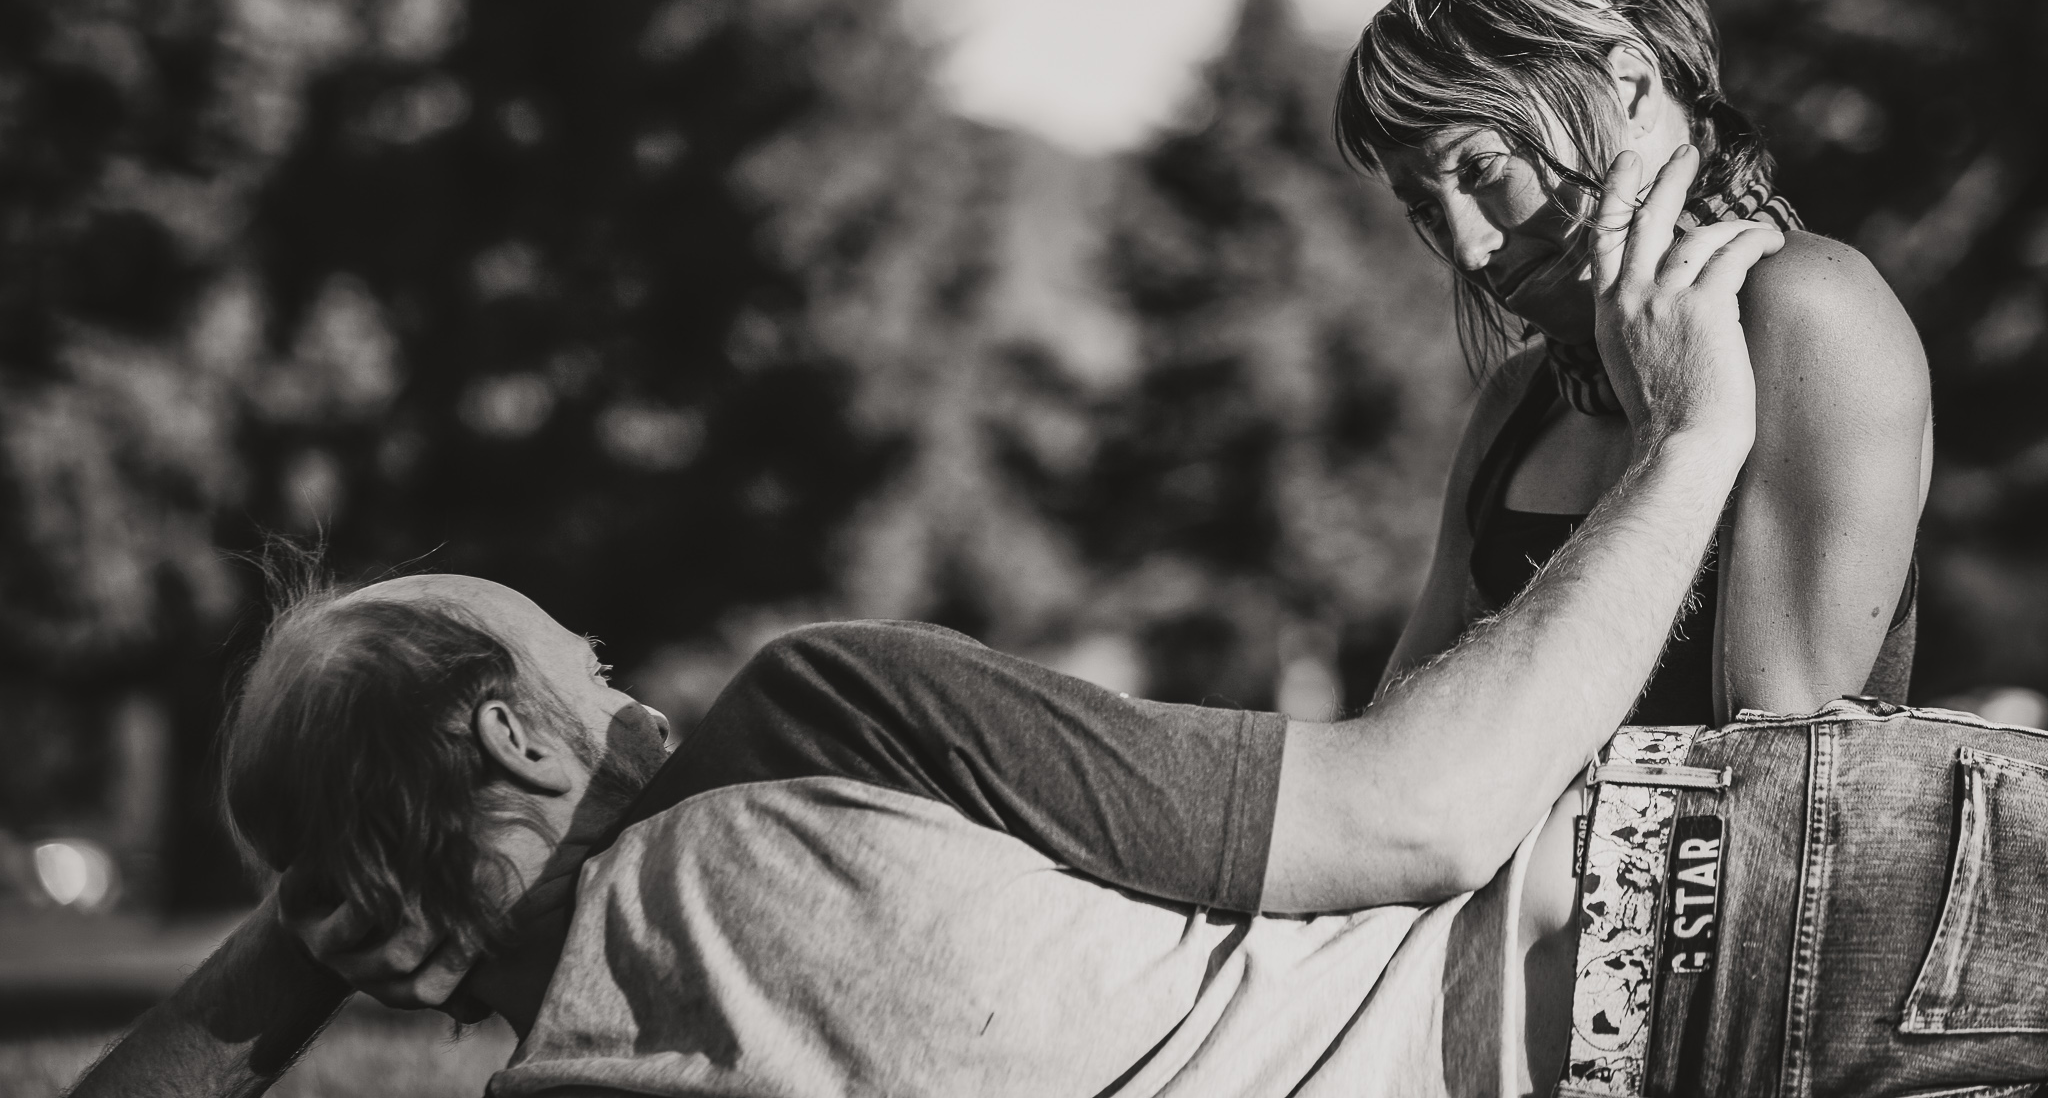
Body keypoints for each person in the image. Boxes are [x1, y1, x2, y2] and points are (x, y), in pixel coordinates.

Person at [67, 158, 2025, 1096]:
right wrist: (1694, 432)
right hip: (1742, 920)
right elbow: (1417, 806)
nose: (619, 674)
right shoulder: (811, 714)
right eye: (576, 660)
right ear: (513, 730)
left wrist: (319, 905)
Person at [1335, 0, 1929, 726]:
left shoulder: (1808, 314)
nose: (1466, 249)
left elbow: (1770, 781)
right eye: (1425, 211)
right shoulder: (1520, 404)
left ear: (1632, 86)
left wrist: (1678, 432)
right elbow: (1394, 745)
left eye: (1478, 169)